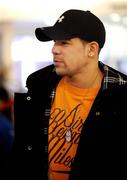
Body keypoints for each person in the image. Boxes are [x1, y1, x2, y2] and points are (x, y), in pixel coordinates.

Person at [13, 9, 127, 180]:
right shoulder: (39, 86)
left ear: (91, 49)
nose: (54, 49)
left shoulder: (121, 96)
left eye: (64, 43)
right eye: (54, 42)